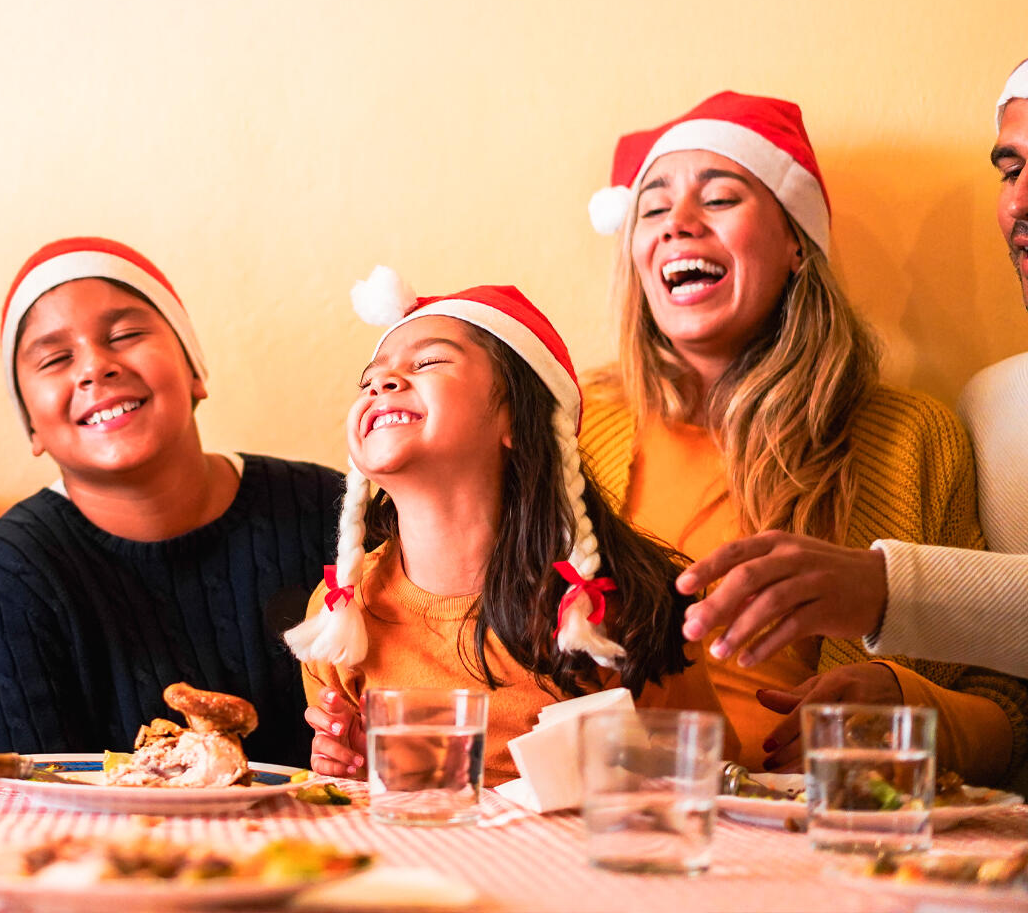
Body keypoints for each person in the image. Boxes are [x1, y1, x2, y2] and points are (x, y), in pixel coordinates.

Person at [579, 90, 1026, 783]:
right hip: (612, 821)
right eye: (654, 207)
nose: (679, 225)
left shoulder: (912, 440)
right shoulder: (572, 428)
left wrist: (912, 706)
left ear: (796, 243)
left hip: (821, 844)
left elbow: (1010, 710)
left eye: (720, 198)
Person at [291, 271, 726, 782]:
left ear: (518, 419)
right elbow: (402, 815)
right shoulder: (339, 613)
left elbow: (711, 779)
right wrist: (357, 771)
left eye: (428, 362)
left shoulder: (612, 606)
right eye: (369, 381)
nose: (382, 383)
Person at [671, 61, 1028, 682]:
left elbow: (994, 700)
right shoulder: (995, 405)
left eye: (722, 198)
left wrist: (889, 593)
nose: (1020, 201)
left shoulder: (916, 435)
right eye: (1012, 170)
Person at [0, 238, 342, 767]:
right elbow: (32, 796)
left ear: (194, 371)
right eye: (55, 358)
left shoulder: (329, 510)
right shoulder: (9, 575)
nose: (94, 367)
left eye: (126, 335)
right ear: (31, 425)